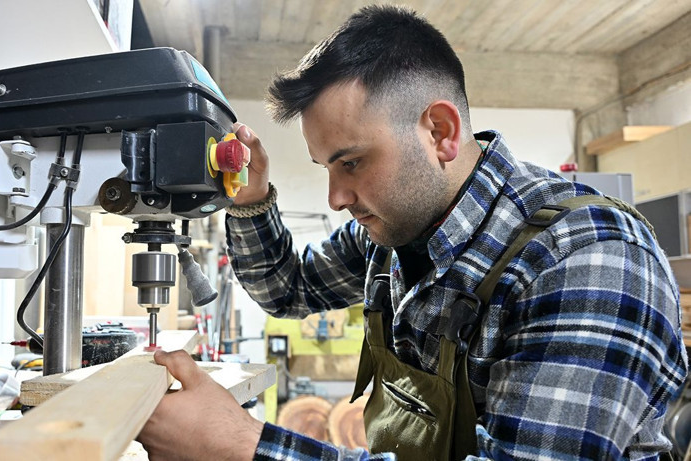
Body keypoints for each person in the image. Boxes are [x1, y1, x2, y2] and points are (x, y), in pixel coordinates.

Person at [138, 5, 688, 460]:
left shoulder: (588, 259)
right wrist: (251, 200)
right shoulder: (396, 233)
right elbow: (288, 288)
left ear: (440, 132)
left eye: (351, 162)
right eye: (326, 168)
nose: (335, 198)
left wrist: (242, 445)